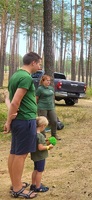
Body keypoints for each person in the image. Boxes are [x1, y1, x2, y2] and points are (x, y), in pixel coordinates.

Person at [4, 52, 42, 199]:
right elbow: (15, 102)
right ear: (33, 62)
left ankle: (15, 184)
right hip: (25, 120)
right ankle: (18, 189)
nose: (40, 66)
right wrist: (8, 121)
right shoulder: (26, 78)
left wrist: (9, 120)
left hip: (19, 120)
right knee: (21, 155)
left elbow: (11, 100)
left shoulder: (15, 75)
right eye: (39, 63)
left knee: (14, 152)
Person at [30, 116, 54, 192]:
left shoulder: (33, 134)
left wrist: (46, 142)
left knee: (35, 170)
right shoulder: (40, 136)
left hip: (35, 156)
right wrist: (48, 147)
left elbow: (38, 145)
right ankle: (38, 187)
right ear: (42, 126)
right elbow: (40, 147)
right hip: (40, 157)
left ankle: (33, 185)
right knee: (39, 171)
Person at [36, 75, 60, 140]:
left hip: (51, 107)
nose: (48, 82)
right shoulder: (40, 89)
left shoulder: (51, 88)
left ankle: (54, 135)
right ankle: (43, 136)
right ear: (43, 81)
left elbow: (53, 97)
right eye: (47, 80)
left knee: (54, 121)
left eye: (49, 80)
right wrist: (36, 107)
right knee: (42, 122)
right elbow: (36, 98)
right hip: (42, 107)